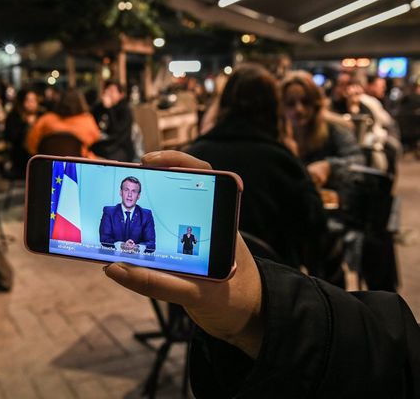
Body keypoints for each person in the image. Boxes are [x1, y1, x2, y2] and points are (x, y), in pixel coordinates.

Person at [104, 150, 420, 398]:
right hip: (266, 301)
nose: (130, 197)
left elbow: (151, 240)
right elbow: (315, 232)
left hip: (245, 322)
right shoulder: (284, 161)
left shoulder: (149, 210)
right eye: (126, 191)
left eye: (135, 191)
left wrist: (258, 312)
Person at [188, 63, 327, 269]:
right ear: (274, 108)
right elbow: (315, 230)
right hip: (270, 290)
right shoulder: (284, 162)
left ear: (224, 103)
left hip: (196, 287)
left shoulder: (193, 156)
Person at [281, 70, 365, 190]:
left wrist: (329, 166)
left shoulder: (335, 127)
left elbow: (358, 162)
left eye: (305, 102)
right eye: (290, 103)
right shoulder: (277, 132)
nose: (298, 109)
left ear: (315, 103)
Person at [26, 89, 101, 158]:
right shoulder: (87, 121)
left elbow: (31, 145)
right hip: (78, 167)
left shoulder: (46, 119)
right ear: (81, 102)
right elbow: (96, 142)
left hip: (46, 166)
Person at [99, 176, 156, 253]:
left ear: (138, 196)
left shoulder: (146, 215)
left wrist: (136, 247)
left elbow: (151, 244)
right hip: (113, 260)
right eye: (126, 190)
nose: (129, 195)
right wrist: (122, 245)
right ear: (121, 192)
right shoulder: (109, 212)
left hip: (137, 262)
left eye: (134, 191)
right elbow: (104, 239)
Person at [91, 80, 136, 162]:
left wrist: (109, 108)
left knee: (108, 161)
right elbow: (92, 124)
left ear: (121, 95)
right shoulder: (99, 108)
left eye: (112, 91)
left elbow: (116, 130)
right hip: (101, 145)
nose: (108, 93)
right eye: (107, 90)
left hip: (120, 147)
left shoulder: (124, 109)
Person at [3, 88, 40, 179]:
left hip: (40, 155)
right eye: (28, 100)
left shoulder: (42, 116)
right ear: (21, 102)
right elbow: (11, 139)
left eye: (34, 100)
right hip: (20, 159)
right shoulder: (14, 117)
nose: (32, 104)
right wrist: (26, 125)